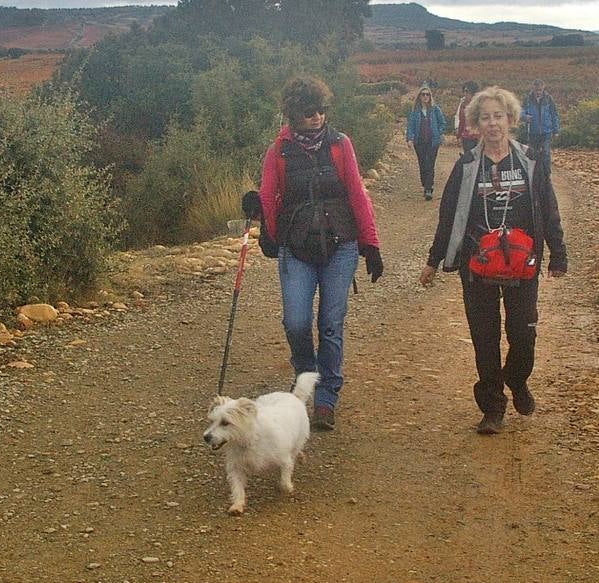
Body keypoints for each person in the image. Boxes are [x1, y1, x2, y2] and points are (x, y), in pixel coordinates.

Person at [419, 86, 567, 434]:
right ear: (475, 123)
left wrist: (558, 253)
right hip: (477, 264)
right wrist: (434, 259)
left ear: (510, 119)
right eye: (484, 117)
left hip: (522, 263)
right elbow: (449, 214)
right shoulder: (467, 164)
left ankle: (516, 379)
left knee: (523, 334)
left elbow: (548, 207)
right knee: (485, 338)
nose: (492, 124)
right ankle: (492, 407)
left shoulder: (530, 160)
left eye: (498, 116)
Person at [243, 76, 384, 432]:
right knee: (296, 322)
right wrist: (266, 232)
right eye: (309, 112)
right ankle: (306, 374)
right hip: (297, 248)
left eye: (322, 110)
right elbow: (270, 195)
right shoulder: (279, 152)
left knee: (331, 324)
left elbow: (356, 193)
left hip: (341, 245)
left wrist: (371, 244)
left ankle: (326, 396)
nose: (318, 117)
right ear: (293, 113)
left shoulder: (340, 145)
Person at [406, 85, 449, 200]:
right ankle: (425, 183)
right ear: (419, 96)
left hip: (433, 141)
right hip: (419, 142)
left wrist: (439, 133)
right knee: (422, 163)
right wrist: (410, 139)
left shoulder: (435, 109)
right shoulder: (415, 111)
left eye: (427, 94)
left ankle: (428, 189)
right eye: (423, 94)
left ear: (430, 96)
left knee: (430, 164)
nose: (425, 96)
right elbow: (410, 126)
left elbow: (443, 123)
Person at [522, 79, 561, 169]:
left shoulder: (548, 99)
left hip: (546, 131)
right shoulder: (528, 99)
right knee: (533, 154)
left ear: (543, 88)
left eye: (540, 90)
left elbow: (554, 114)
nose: (538, 92)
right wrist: (524, 117)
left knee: (546, 153)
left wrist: (556, 130)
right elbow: (520, 111)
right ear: (533, 88)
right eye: (536, 90)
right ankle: (534, 174)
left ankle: (547, 173)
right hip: (532, 131)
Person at [453, 80, 481, 154]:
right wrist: (458, 135)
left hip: (479, 137)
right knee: (468, 158)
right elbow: (460, 119)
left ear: (473, 92)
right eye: (464, 91)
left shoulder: (480, 105)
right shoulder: (463, 104)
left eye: (467, 91)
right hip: (466, 136)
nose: (465, 94)